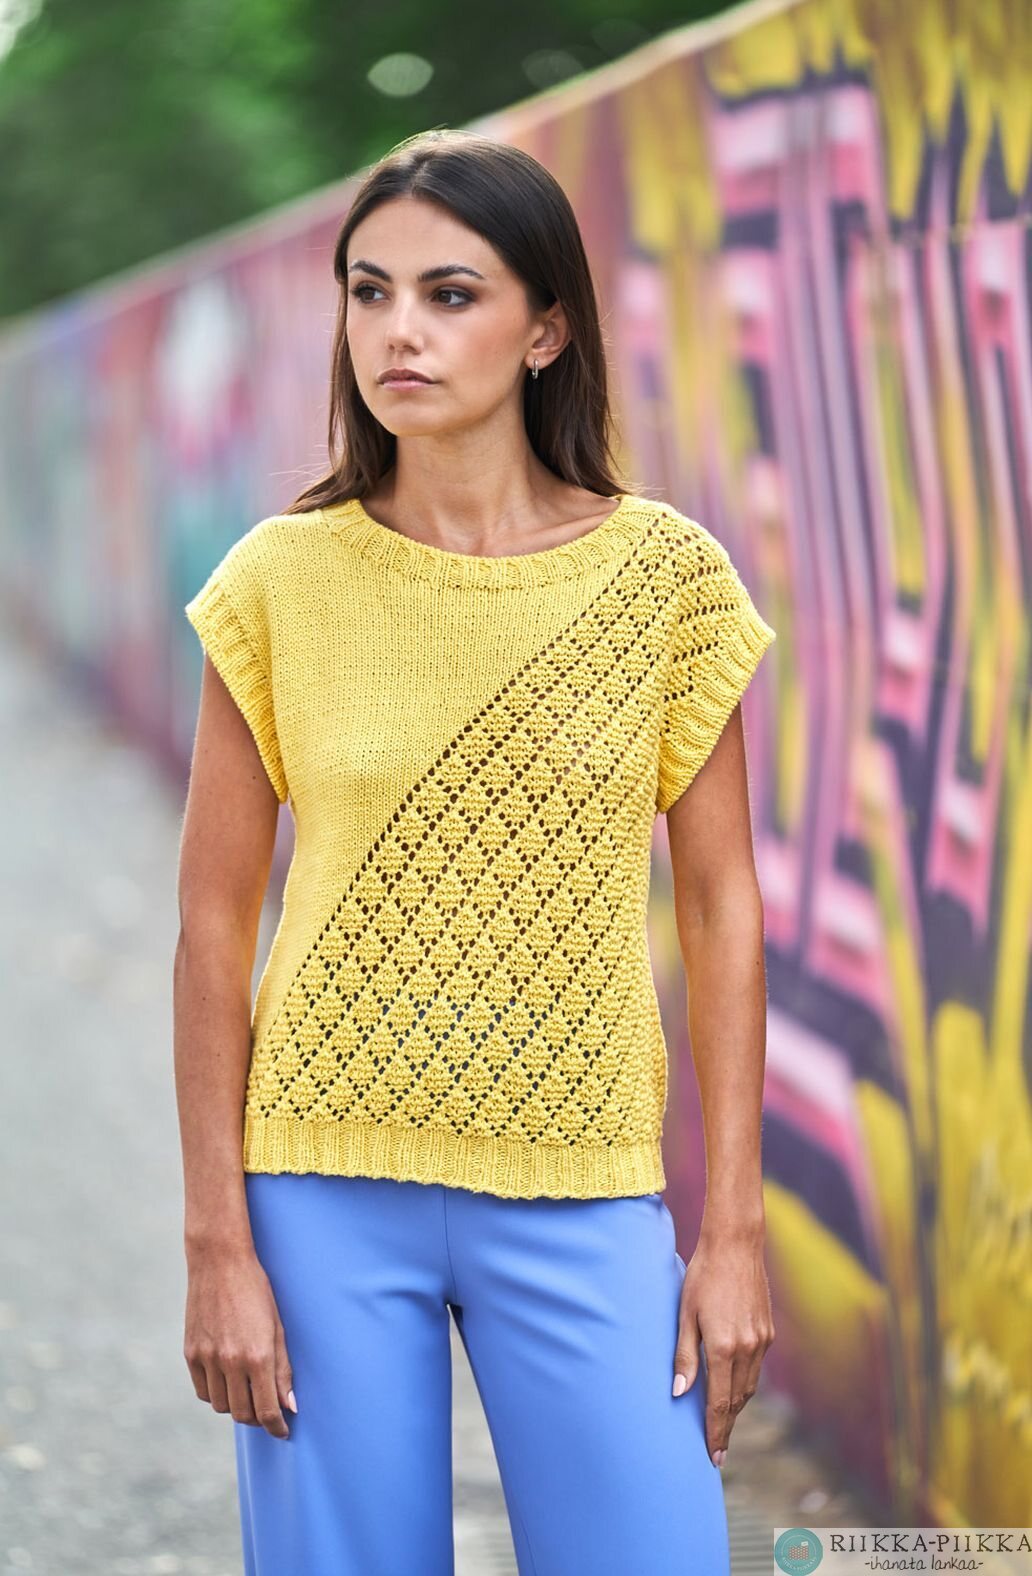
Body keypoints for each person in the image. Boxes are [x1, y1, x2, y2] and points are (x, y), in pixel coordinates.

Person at [174, 126, 777, 1576]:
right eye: (369, 291)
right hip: (319, 1186)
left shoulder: (665, 579)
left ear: (546, 327)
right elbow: (210, 926)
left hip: (585, 1179)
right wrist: (217, 1246)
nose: (400, 331)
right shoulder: (278, 581)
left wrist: (735, 1229)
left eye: (450, 294)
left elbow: (722, 907)